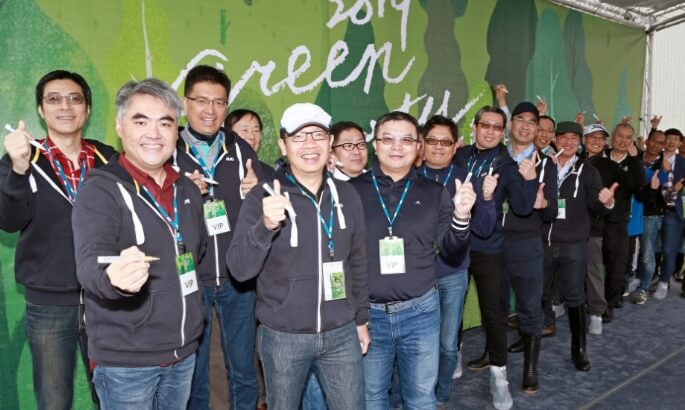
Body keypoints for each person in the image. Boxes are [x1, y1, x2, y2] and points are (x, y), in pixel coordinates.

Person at [72, 78, 207, 408]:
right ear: (120, 127)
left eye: (166, 123)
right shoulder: (100, 190)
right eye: (141, 121)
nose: (154, 133)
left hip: (184, 352)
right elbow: (89, 264)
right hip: (127, 363)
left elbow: (196, 252)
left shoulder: (188, 191)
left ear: (176, 132)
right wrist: (113, 280)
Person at [226, 103, 370, 410]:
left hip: (341, 332)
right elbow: (239, 269)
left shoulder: (347, 195)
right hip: (283, 337)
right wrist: (265, 226)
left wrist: (361, 319)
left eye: (317, 135)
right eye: (299, 136)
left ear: (330, 142)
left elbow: (357, 261)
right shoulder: (263, 195)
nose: (309, 145)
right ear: (283, 144)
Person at [0, 70, 116, 410]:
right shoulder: (22, 158)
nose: (65, 106)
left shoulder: (110, 160)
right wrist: (19, 169)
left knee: (114, 396)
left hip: (107, 297)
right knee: (53, 401)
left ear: (87, 108)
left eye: (74, 98)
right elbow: (8, 221)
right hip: (49, 303)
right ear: (41, 109)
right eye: (54, 99)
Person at [351, 111, 476, 409]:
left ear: (418, 147)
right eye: (388, 139)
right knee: (371, 398)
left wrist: (461, 216)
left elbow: (452, 250)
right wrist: (356, 317)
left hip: (420, 313)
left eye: (406, 140)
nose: (397, 147)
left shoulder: (435, 193)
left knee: (421, 398)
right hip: (369, 316)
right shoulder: (351, 191)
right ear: (375, 145)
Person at [173, 65, 262, 410]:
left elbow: (267, 203)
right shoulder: (167, 148)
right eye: (201, 101)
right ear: (185, 103)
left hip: (238, 277)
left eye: (219, 102)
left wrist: (257, 191)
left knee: (243, 369)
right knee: (194, 373)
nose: (210, 110)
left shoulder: (240, 150)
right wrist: (183, 191)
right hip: (190, 275)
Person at [453, 106, 537, 410]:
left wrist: (529, 179)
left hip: (489, 247)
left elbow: (523, 208)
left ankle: (499, 376)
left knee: (494, 312)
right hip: (455, 243)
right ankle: (453, 355)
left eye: (496, 127)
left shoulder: (508, 164)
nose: (490, 131)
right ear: (474, 127)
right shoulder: (460, 156)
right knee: (453, 306)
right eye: (485, 125)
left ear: (503, 132)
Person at [420, 115, 498, 407]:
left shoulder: (467, 179)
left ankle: (441, 393)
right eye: (432, 140)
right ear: (421, 144)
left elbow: (485, 229)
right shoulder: (410, 178)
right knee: (418, 343)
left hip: (453, 273)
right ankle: (421, 393)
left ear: (455, 147)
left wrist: (486, 198)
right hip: (417, 275)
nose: (439, 147)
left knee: (447, 343)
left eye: (446, 142)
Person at [541, 121, 616, 372]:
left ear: (580, 142)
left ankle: (579, 349)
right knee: (538, 293)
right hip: (542, 241)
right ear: (555, 140)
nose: (568, 142)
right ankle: (531, 338)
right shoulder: (543, 166)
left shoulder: (587, 170)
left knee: (574, 297)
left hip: (573, 244)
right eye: (563, 137)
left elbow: (595, 205)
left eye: (574, 138)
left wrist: (607, 202)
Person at [500, 102, 557, 395]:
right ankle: (491, 355)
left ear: (537, 129)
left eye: (531, 122)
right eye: (519, 119)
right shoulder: (497, 158)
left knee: (530, 307)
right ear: (511, 124)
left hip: (527, 244)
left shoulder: (546, 164)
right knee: (495, 305)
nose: (525, 126)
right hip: (493, 243)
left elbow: (552, 212)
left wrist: (543, 204)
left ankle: (530, 370)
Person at [602, 123, 645, 317]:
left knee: (616, 265)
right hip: (595, 218)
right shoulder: (601, 156)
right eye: (620, 135)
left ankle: (610, 302)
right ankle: (594, 299)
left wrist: (635, 159)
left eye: (628, 137)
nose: (623, 140)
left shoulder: (634, 161)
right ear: (613, 136)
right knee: (594, 264)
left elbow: (639, 188)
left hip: (618, 220)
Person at [633, 129, 666, 304]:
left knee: (646, 253)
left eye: (661, 143)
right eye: (653, 140)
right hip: (630, 212)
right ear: (647, 141)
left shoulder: (664, 165)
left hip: (650, 215)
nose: (656, 145)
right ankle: (631, 281)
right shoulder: (635, 157)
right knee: (627, 252)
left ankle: (643, 288)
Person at [654, 128, 685, 299]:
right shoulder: (655, 158)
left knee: (670, 249)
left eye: (675, 139)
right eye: (669, 138)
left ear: (680, 143)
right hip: (655, 209)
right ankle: (651, 278)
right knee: (654, 248)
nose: (672, 142)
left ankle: (664, 281)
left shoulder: (683, 163)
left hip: (675, 211)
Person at [227, 108, 275, 177]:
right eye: (244, 130)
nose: (252, 136)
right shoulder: (216, 170)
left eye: (256, 130)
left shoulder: (270, 174)